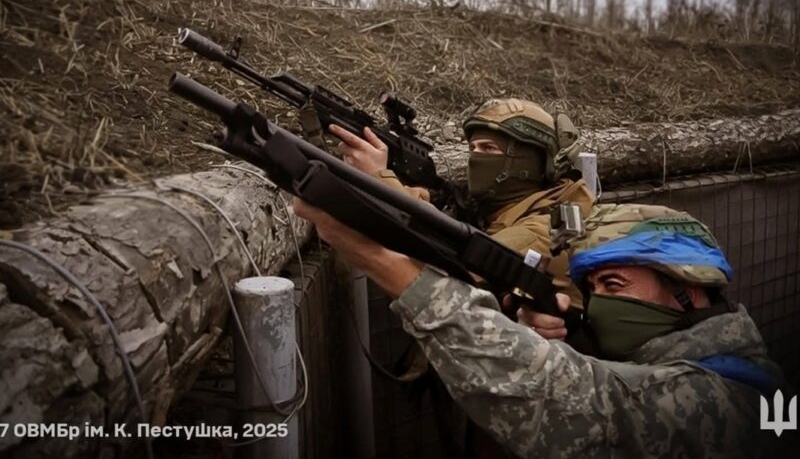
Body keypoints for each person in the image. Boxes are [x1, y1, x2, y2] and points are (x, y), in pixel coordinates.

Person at [292, 197, 788, 458]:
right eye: (592, 291)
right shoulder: (702, 360)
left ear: (690, 291)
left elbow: (565, 397)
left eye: (615, 284)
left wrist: (386, 264)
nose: (598, 307)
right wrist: (528, 330)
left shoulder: (727, 403)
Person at [330, 98, 594, 309]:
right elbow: (438, 211)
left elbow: (450, 268)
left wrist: (381, 179)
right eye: (473, 148)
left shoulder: (546, 229)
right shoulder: (495, 208)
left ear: (530, 163)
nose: (475, 158)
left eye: (489, 149)